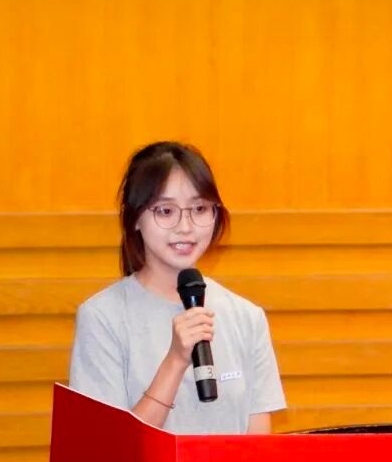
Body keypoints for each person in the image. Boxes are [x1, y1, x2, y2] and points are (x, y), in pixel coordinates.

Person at [68, 141, 285, 434]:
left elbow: (257, 448)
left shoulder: (247, 317)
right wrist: (175, 360)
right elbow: (108, 448)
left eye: (199, 208)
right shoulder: (103, 318)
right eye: (166, 211)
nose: (185, 227)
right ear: (135, 218)